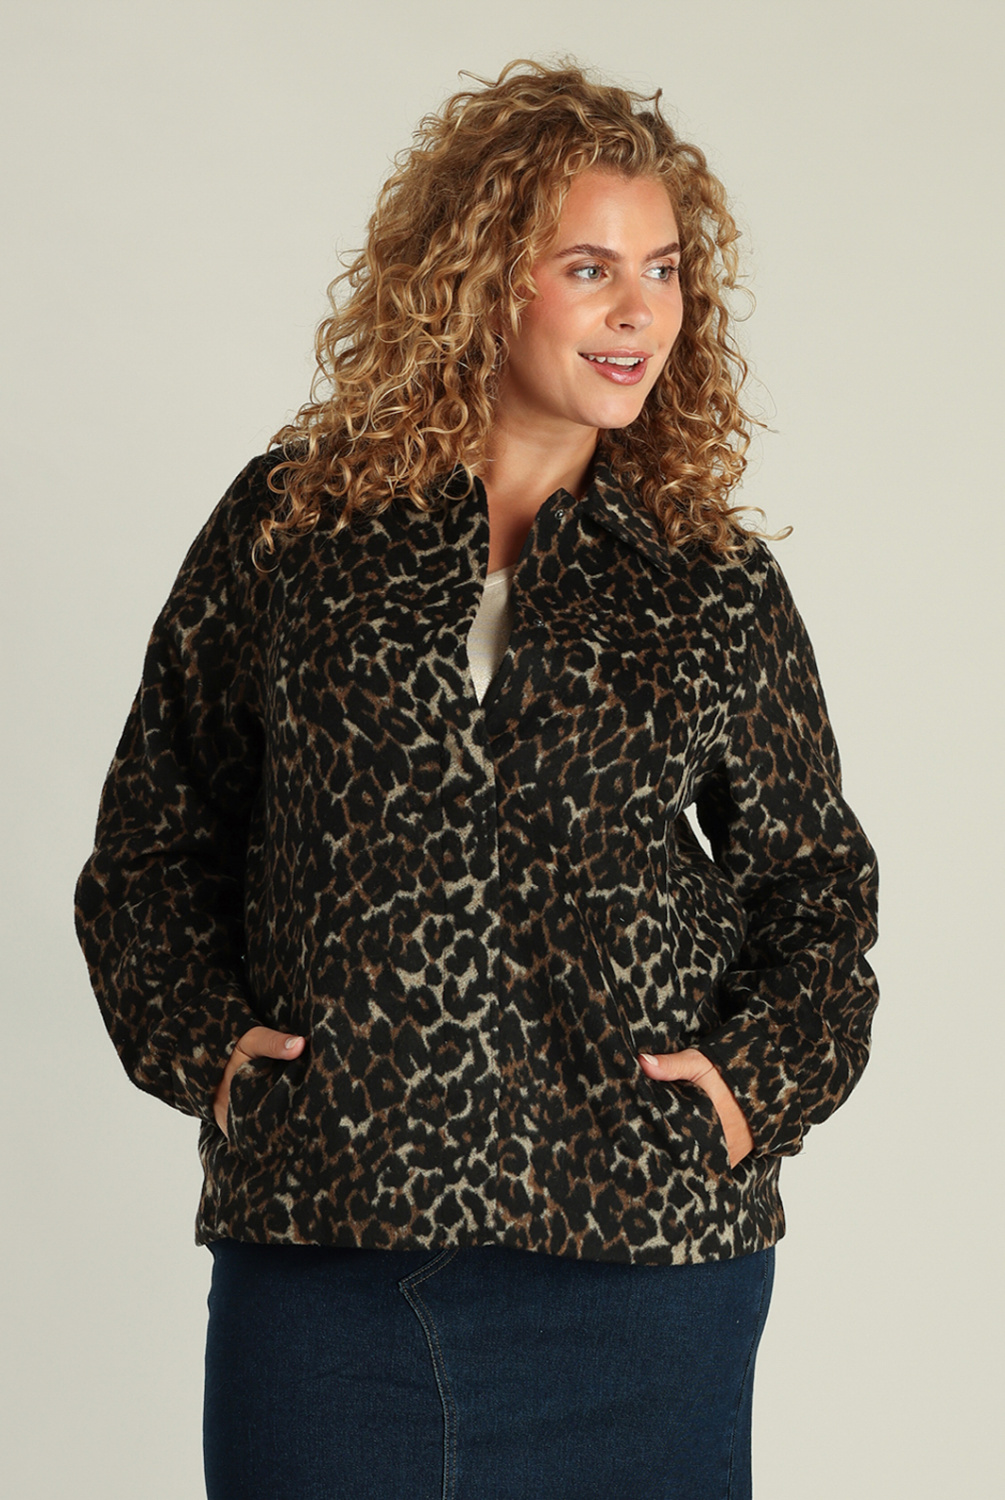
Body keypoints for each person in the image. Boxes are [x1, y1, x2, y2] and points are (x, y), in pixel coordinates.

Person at [74, 59, 879, 1500]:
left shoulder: (708, 580)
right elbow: (152, 840)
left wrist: (748, 1092)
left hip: (644, 1262)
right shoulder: (298, 527)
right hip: (331, 1245)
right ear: (480, 280)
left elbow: (816, 890)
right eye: (590, 268)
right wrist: (209, 1051)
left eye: (664, 271)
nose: (640, 311)